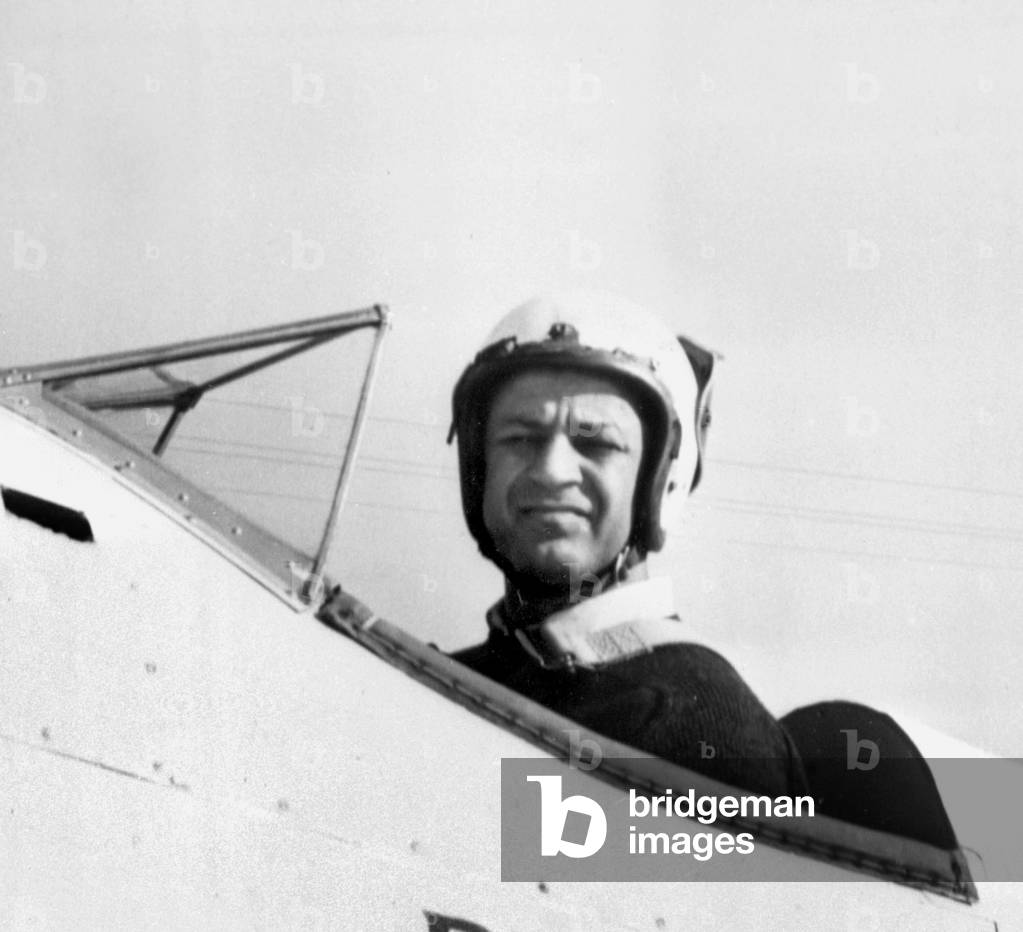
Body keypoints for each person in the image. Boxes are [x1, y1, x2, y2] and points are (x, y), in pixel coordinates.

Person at [446, 292, 807, 797]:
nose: (552, 471)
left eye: (596, 444)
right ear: (478, 467)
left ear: (659, 482)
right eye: (521, 438)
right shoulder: (447, 680)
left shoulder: (702, 731)